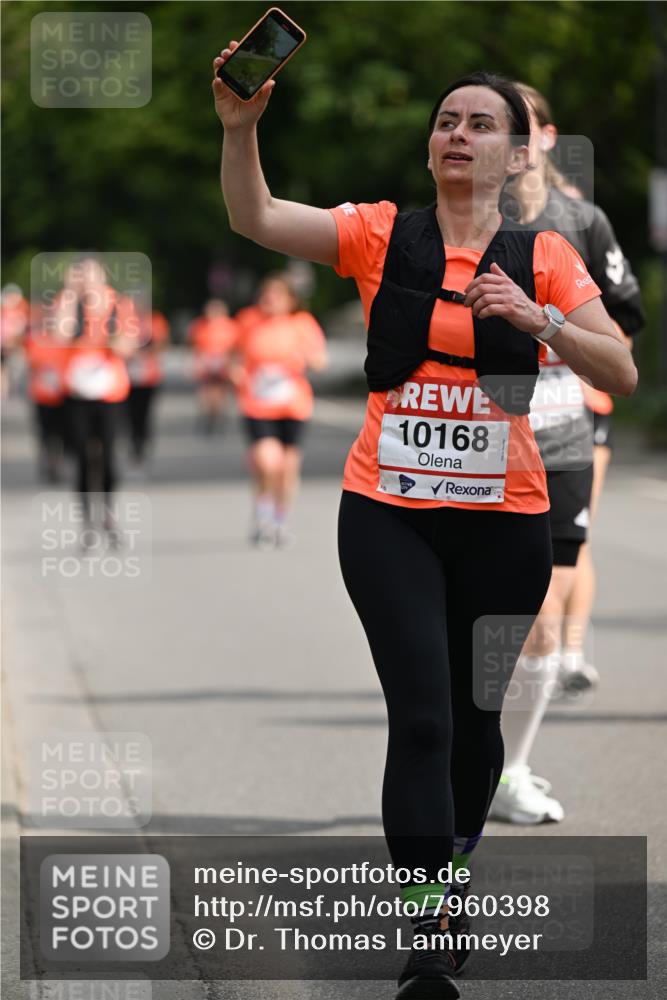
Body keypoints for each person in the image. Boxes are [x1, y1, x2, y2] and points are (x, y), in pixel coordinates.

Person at [213, 54, 637, 997]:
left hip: (506, 524)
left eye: (480, 123)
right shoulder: (377, 234)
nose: (457, 134)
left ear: (518, 150)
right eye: (446, 120)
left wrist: (538, 321)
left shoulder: (545, 256)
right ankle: (431, 927)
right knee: (423, 720)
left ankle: (452, 868)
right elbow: (257, 218)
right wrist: (241, 130)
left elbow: (620, 373)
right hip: (387, 513)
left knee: (476, 723)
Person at [488, 83, 645, 825]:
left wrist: (583, 369)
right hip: (474, 450)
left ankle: (509, 768)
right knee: (483, 622)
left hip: (563, 434)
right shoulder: (459, 220)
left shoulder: (580, 219)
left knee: (538, 614)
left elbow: (622, 327)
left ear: (544, 137)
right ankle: (465, 745)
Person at [231, 274, 327, 548]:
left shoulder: (302, 324)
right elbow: (233, 354)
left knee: (286, 469)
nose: (269, 299)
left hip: (292, 405)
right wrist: (235, 371)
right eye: (266, 294)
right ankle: (263, 517)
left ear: (290, 300)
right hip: (257, 403)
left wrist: (307, 358)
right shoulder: (248, 320)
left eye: (276, 295)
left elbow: (320, 361)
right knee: (267, 462)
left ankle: (279, 520)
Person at [55, 258, 137, 543]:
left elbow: (129, 346)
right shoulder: (67, 303)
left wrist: (111, 337)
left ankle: (108, 513)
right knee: (81, 457)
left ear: (103, 276)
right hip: (76, 394)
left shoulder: (120, 305)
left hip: (110, 393)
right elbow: (59, 335)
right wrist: (69, 294)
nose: (87, 280)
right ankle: (87, 521)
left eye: (92, 274)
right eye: (81, 275)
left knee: (108, 457)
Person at [23, 301, 68, 483]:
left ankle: (57, 461)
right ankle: (48, 459)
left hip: (62, 395)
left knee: (62, 432)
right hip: (42, 395)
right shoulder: (36, 339)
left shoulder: (66, 339)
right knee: (45, 432)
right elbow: (32, 362)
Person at [125, 307, 169, 469]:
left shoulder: (155, 319)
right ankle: (133, 442)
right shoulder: (124, 319)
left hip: (149, 377)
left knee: (144, 414)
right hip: (127, 377)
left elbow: (162, 343)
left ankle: (141, 444)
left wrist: (144, 352)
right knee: (129, 415)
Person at [187, 298, 238, 433]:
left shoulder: (231, 326)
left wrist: (233, 364)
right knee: (206, 391)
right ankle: (208, 414)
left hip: (223, 361)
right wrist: (194, 363)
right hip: (206, 361)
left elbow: (235, 348)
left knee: (220, 392)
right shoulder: (200, 325)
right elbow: (194, 346)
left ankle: (218, 414)